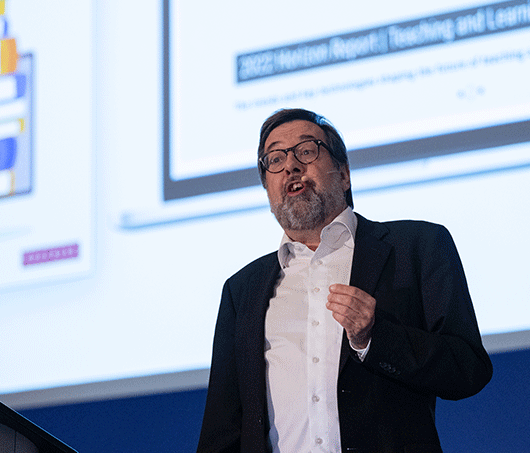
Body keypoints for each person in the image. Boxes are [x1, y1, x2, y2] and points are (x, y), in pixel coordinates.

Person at [197, 108, 492, 453]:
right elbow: (222, 430)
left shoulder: (417, 247)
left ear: (344, 174)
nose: (291, 166)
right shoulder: (242, 290)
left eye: (306, 151)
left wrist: (375, 337)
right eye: (275, 159)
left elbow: (467, 369)